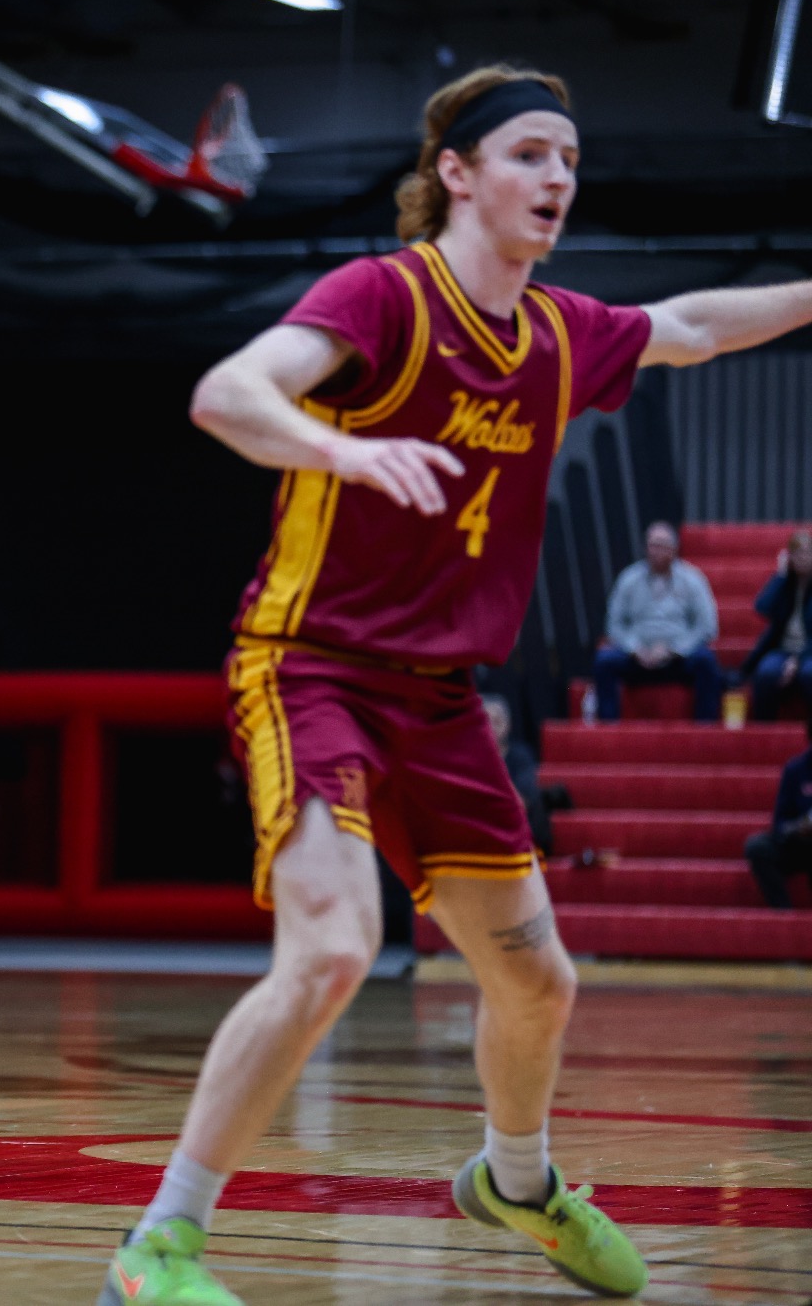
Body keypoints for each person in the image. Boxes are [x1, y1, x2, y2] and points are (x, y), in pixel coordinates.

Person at [104, 64, 812, 1306]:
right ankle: (161, 1241)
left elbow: (694, 326)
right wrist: (344, 449)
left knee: (538, 981)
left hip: (438, 702)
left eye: (569, 162)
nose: (556, 180)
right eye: (532, 154)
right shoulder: (380, 297)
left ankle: (514, 1182)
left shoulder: (557, 335)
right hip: (311, 664)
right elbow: (227, 393)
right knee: (331, 949)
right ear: (457, 173)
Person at [592, 522, 722, 722]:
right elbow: (614, 625)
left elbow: (707, 627)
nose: (656, 551)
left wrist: (673, 649)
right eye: (652, 545)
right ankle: (609, 731)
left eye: (662, 545)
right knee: (604, 661)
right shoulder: (629, 578)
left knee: (706, 661)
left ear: (674, 548)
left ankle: (704, 731)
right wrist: (635, 649)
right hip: (637, 658)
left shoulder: (693, 579)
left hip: (678, 658)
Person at [740, 529, 812, 721]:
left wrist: (797, 661)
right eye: (798, 554)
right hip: (783, 649)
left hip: (809, 652)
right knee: (765, 672)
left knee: (809, 673)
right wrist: (780, 575)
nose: (803, 558)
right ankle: (764, 731)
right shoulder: (784, 584)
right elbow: (762, 607)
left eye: (808, 553)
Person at [743, 716, 812, 909]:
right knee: (757, 847)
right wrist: (798, 827)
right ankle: (783, 914)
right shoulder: (796, 769)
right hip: (800, 842)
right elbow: (779, 822)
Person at [481, 695, 553, 857]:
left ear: (508, 724)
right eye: (486, 721)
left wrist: (493, 760)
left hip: (514, 829)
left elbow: (522, 802)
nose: (492, 727)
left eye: (497, 721)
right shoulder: (471, 757)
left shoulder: (521, 756)